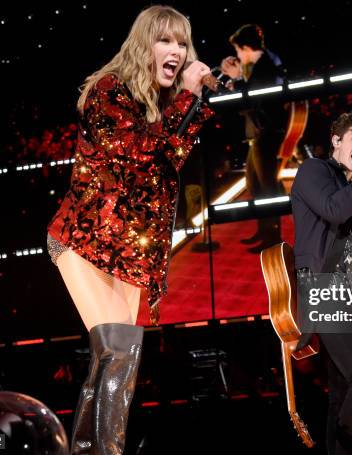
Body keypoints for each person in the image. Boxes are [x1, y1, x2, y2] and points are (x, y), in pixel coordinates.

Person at [46, 6, 214, 454]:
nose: (176, 51)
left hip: (128, 253)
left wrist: (191, 105)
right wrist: (188, 99)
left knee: (117, 357)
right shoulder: (109, 91)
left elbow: (166, 160)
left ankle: (89, 448)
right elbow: (139, 158)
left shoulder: (159, 107)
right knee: (118, 349)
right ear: (144, 45)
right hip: (83, 239)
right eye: (166, 41)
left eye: (182, 43)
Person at [290, 111, 352, 455]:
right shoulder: (314, 170)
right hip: (325, 290)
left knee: (346, 389)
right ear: (336, 141)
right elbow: (334, 210)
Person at [220, 24, 288, 253]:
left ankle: (273, 236)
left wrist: (238, 80)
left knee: (266, 186)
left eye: (239, 50)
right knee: (255, 184)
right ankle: (265, 230)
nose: (238, 56)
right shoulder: (263, 64)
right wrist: (238, 83)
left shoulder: (264, 67)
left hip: (265, 133)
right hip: (259, 133)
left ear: (247, 48)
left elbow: (253, 101)